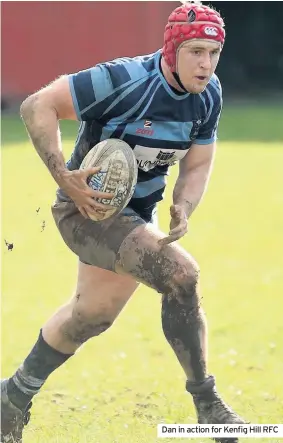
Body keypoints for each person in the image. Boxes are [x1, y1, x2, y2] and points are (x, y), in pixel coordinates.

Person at [1, 2, 246, 442]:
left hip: (137, 218)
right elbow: (37, 106)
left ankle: (11, 398)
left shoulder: (208, 96)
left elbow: (199, 164)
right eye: (195, 51)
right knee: (181, 275)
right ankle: (209, 405)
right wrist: (65, 178)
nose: (206, 63)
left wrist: (185, 205)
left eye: (213, 52)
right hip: (86, 212)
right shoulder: (123, 80)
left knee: (91, 316)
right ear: (171, 51)